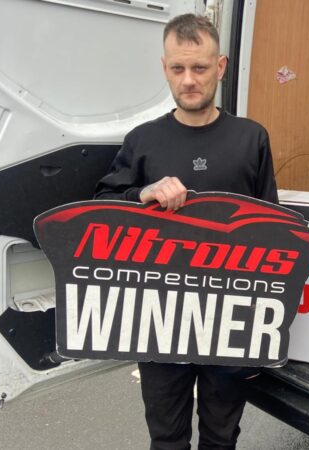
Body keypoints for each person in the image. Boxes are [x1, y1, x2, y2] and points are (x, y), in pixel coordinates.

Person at [94, 13, 278, 450]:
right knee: (167, 440)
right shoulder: (142, 140)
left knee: (222, 438)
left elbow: (273, 227)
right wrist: (142, 194)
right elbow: (101, 209)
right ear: (165, 68)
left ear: (221, 66)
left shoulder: (251, 138)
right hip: (158, 317)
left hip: (230, 316)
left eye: (199, 67)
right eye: (177, 68)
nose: (189, 80)